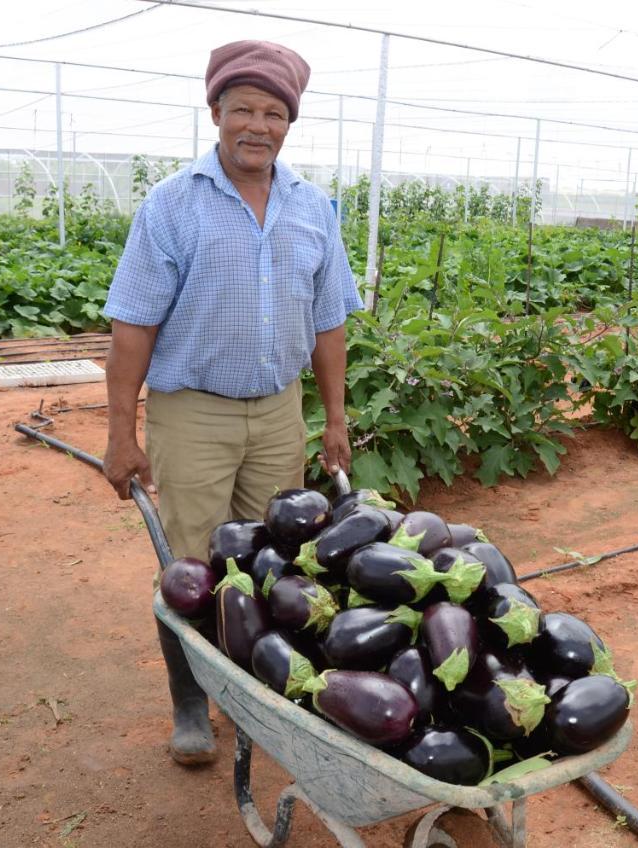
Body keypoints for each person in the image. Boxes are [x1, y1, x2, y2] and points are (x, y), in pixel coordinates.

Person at [100, 40, 363, 765]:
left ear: (290, 123)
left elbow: (330, 321)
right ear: (215, 112)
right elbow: (132, 328)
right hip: (194, 412)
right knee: (191, 567)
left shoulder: (313, 208)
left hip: (278, 410)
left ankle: (258, 695)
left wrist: (333, 419)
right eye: (242, 108)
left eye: (274, 112)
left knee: (278, 562)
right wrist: (122, 433)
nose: (258, 124)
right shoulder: (174, 204)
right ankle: (191, 705)